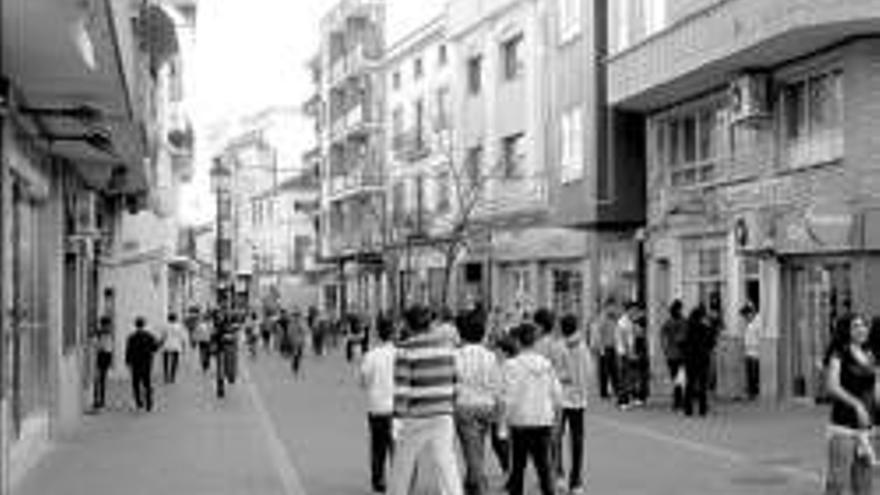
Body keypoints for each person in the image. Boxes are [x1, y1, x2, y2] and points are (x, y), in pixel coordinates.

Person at [389, 305, 462, 495]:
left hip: (416, 416)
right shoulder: (448, 349)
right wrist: (451, 404)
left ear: (408, 325)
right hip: (444, 413)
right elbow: (456, 380)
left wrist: (397, 418)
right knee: (446, 461)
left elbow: (402, 389)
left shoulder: (406, 352)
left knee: (403, 463)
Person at [501, 321, 563, 495]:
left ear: (517, 342)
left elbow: (508, 398)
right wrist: (556, 421)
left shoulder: (511, 365)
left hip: (520, 422)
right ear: (535, 342)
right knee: (544, 467)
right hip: (543, 420)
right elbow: (557, 396)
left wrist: (502, 425)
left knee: (518, 468)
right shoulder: (546, 365)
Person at [823, 314, 877, 495]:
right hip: (843, 427)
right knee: (838, 485)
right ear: (847, 330)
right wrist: (857, 405)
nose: (862, 329)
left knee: (865, 486)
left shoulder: (870, 354)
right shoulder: (839, 353)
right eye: (856, 326)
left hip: (866, 430)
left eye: (864, 325)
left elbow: (876, 389)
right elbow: (832, 386)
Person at [454, 311, 502, 495]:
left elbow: (454, 379)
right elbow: (496, 383)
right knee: (478, 445)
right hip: (486, 406)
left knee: (470, 450)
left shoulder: (457, 355)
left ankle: (480, 485)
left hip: (465, 405)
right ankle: (471, 484)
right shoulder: (490, 356)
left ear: (462, 334)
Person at [359, 316, 397, 494]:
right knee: (398, 447)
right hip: (398, 409)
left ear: (376, 334)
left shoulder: (370, 356)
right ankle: (401, 480)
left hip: (376, 408)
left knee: (377, 447)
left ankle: (378, 481)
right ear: (394, 333)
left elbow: (363, 382)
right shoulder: (401, 354)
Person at [556, 314, 590, 494]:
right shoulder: (583, 347)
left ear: (562, 329)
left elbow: (556, 373)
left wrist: (564, 378)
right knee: (577, 440)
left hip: (561, 399)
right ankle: (576, 481)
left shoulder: (559, 347)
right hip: (579, 400)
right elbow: (589, 372)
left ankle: (559, 474)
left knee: (557, 438)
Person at [683, 304, 717, 417]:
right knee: (702, 384)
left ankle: (688, 409)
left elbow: (683, 342)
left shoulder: (688, 327)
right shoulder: (705, 327)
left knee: (690, 383)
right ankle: (702, 409)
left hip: (690, 359)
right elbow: (711, 342)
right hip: (702, 358)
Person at [125, 317, 159, 411]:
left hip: (135, 363)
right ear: (144, 324)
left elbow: (128, 350)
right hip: (146, 362)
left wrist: (127, 361)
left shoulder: (131, 337)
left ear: (135, 325)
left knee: (135, 383)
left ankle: (138, 402)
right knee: (147, 383)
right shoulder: (149, 336)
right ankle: (149, 404)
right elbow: (155, 348)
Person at [660, 300, 688, 411]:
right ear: (679, 309)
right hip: (680, 355)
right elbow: (684, 337)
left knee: (675, 378)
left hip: (671, 355)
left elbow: (662, 337)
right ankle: (680, 401)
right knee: (681, 379)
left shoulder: (668, 322)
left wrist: (665, 350)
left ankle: (677, 402)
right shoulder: (683, 322)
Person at [591, 304, 619, 400]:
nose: (614, 308)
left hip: (612, 347)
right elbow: (598, 334)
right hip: (604, 348)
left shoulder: (614, 319)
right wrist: (600, 349)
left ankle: (616, 390)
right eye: (612, 307)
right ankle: (604, 392)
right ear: (607, 308)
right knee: (604, 371)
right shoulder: (602, 319)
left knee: (614, 370)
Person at [615, 302, 638, 409]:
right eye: (633, 310)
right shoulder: (623, 322)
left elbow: (631, 337)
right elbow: (624, 339)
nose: (635, 312)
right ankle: (622, 401)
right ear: (628, 310)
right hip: (623, 353)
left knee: (627, 377)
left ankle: (625, 399)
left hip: (626, 352)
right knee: (624, 377)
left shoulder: (629, 321)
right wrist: (630, 353)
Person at [92, 316, 114, 410]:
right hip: (100, 357)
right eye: (108, 325)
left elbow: (110, 348)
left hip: (105, 357)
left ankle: (101, 400)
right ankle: (97, 400)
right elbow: (97, 345)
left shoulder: (108, 334)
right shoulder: (99, 334)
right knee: (98, 380)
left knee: (102, 380)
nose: (110, 326)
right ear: (104, 325)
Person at [741, 303, 761, 401]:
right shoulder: (749, 323)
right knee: (749, 374)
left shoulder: (758, 321)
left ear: (751, 313)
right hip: (748, 352)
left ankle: (754, 392)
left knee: (754, 374)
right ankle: (751, 392)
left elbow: (759, 338)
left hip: (756, 353)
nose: (745, 318)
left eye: (746, 315)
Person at [160, 313, 187, 384]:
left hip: (166, 345)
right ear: (175, 318)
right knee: (175, 361)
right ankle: (172, 376)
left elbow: (163, 336)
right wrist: (183, 347)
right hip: (176, 345)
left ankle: (166, 376)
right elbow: (182, 338)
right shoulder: (179, 327)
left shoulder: (165, 326)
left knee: (165, 361)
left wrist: (160, 344)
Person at [289, 310, 308, 377]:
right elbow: (290, 333)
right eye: (295, 316)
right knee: (295, 356)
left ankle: (297, 370)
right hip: (294, 343)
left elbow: (305, 332)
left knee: (299, 357)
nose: (296, 318)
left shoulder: (302, 324)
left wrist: (304, 341)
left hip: (300, 343)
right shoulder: (291, 324)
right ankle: (295, 370)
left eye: (297, 316)